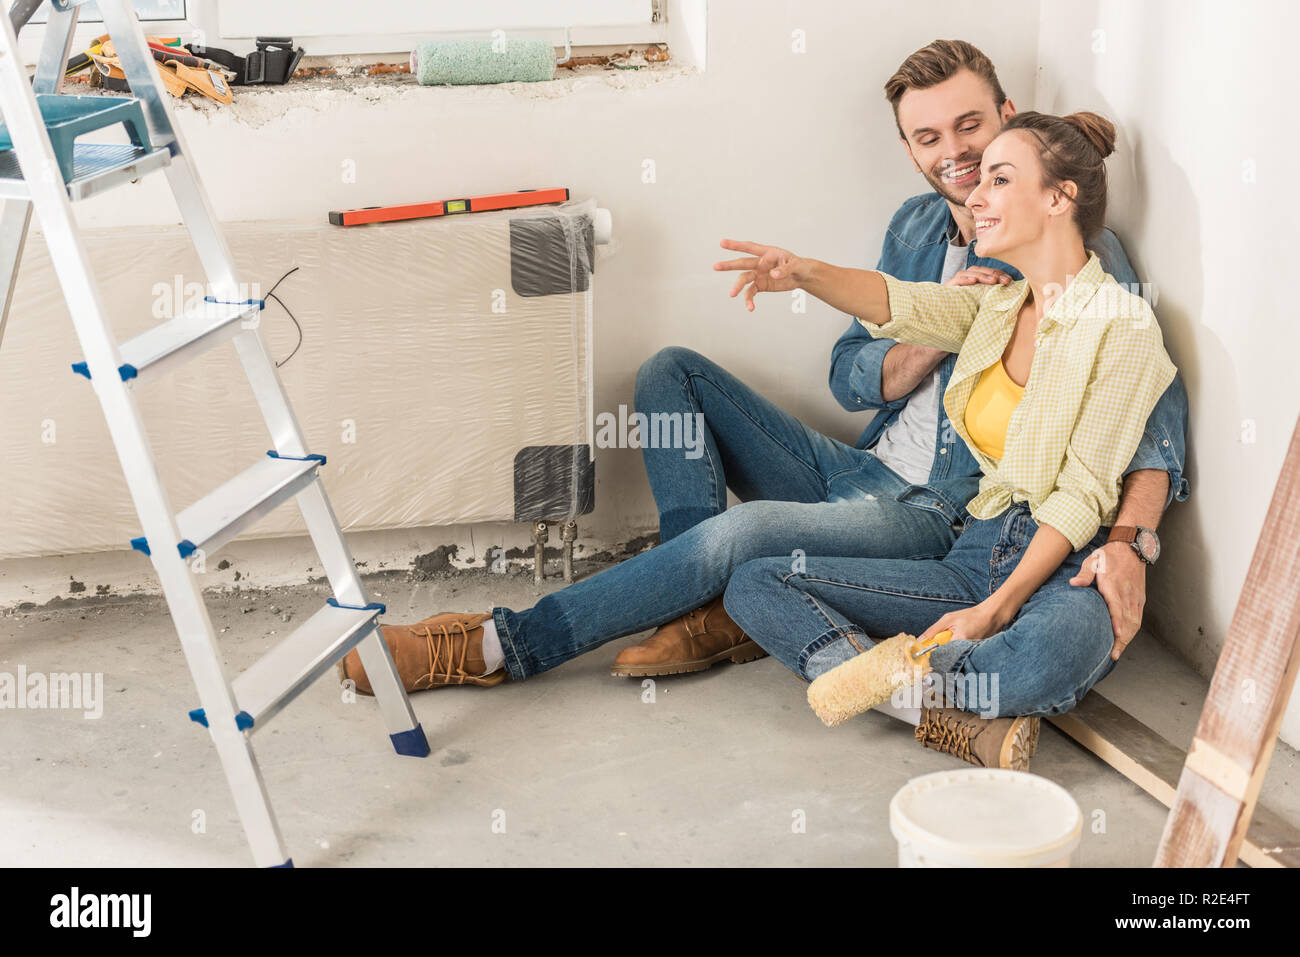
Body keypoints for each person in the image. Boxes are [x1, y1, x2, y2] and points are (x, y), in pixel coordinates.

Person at [339, 42, 1187, 771]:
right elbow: (852, 365)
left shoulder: (1081, 264)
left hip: (938, 512)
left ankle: (506, 642)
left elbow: (1151, 423)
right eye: (928, 138)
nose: (956, 156)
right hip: (864, 465)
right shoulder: (920, 230)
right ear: (908, 149)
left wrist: (1130, 544)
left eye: (973, 130)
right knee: (672, 374)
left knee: (744, 540)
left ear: (1008, 119)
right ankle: (697, 603)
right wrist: (899, 325)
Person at [715, 108, 1176, 768]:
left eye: (999, 180)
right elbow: (896, 301)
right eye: (979, 182)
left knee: (1049, 652)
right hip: (978, 548)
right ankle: (927, 703)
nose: (976, 197)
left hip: (1065, 565)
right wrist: (800, 271)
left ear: (1057, 196)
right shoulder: (993, 306)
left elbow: (1078, 498)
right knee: (757, 582)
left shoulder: (1120, 324)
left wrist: (994, 609)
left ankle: (898, 676)